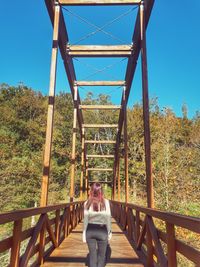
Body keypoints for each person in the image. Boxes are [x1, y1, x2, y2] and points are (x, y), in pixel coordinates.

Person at [83, 182, 112, 267]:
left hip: (90, 230)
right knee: (101, 257)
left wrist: (84, 234)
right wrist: (109, 231)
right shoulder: (106, 202)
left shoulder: (87, 203)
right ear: (101, 191)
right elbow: (108, 218)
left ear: (91, 191)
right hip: (102, 230)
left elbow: (85, 221)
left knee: (92, 256)